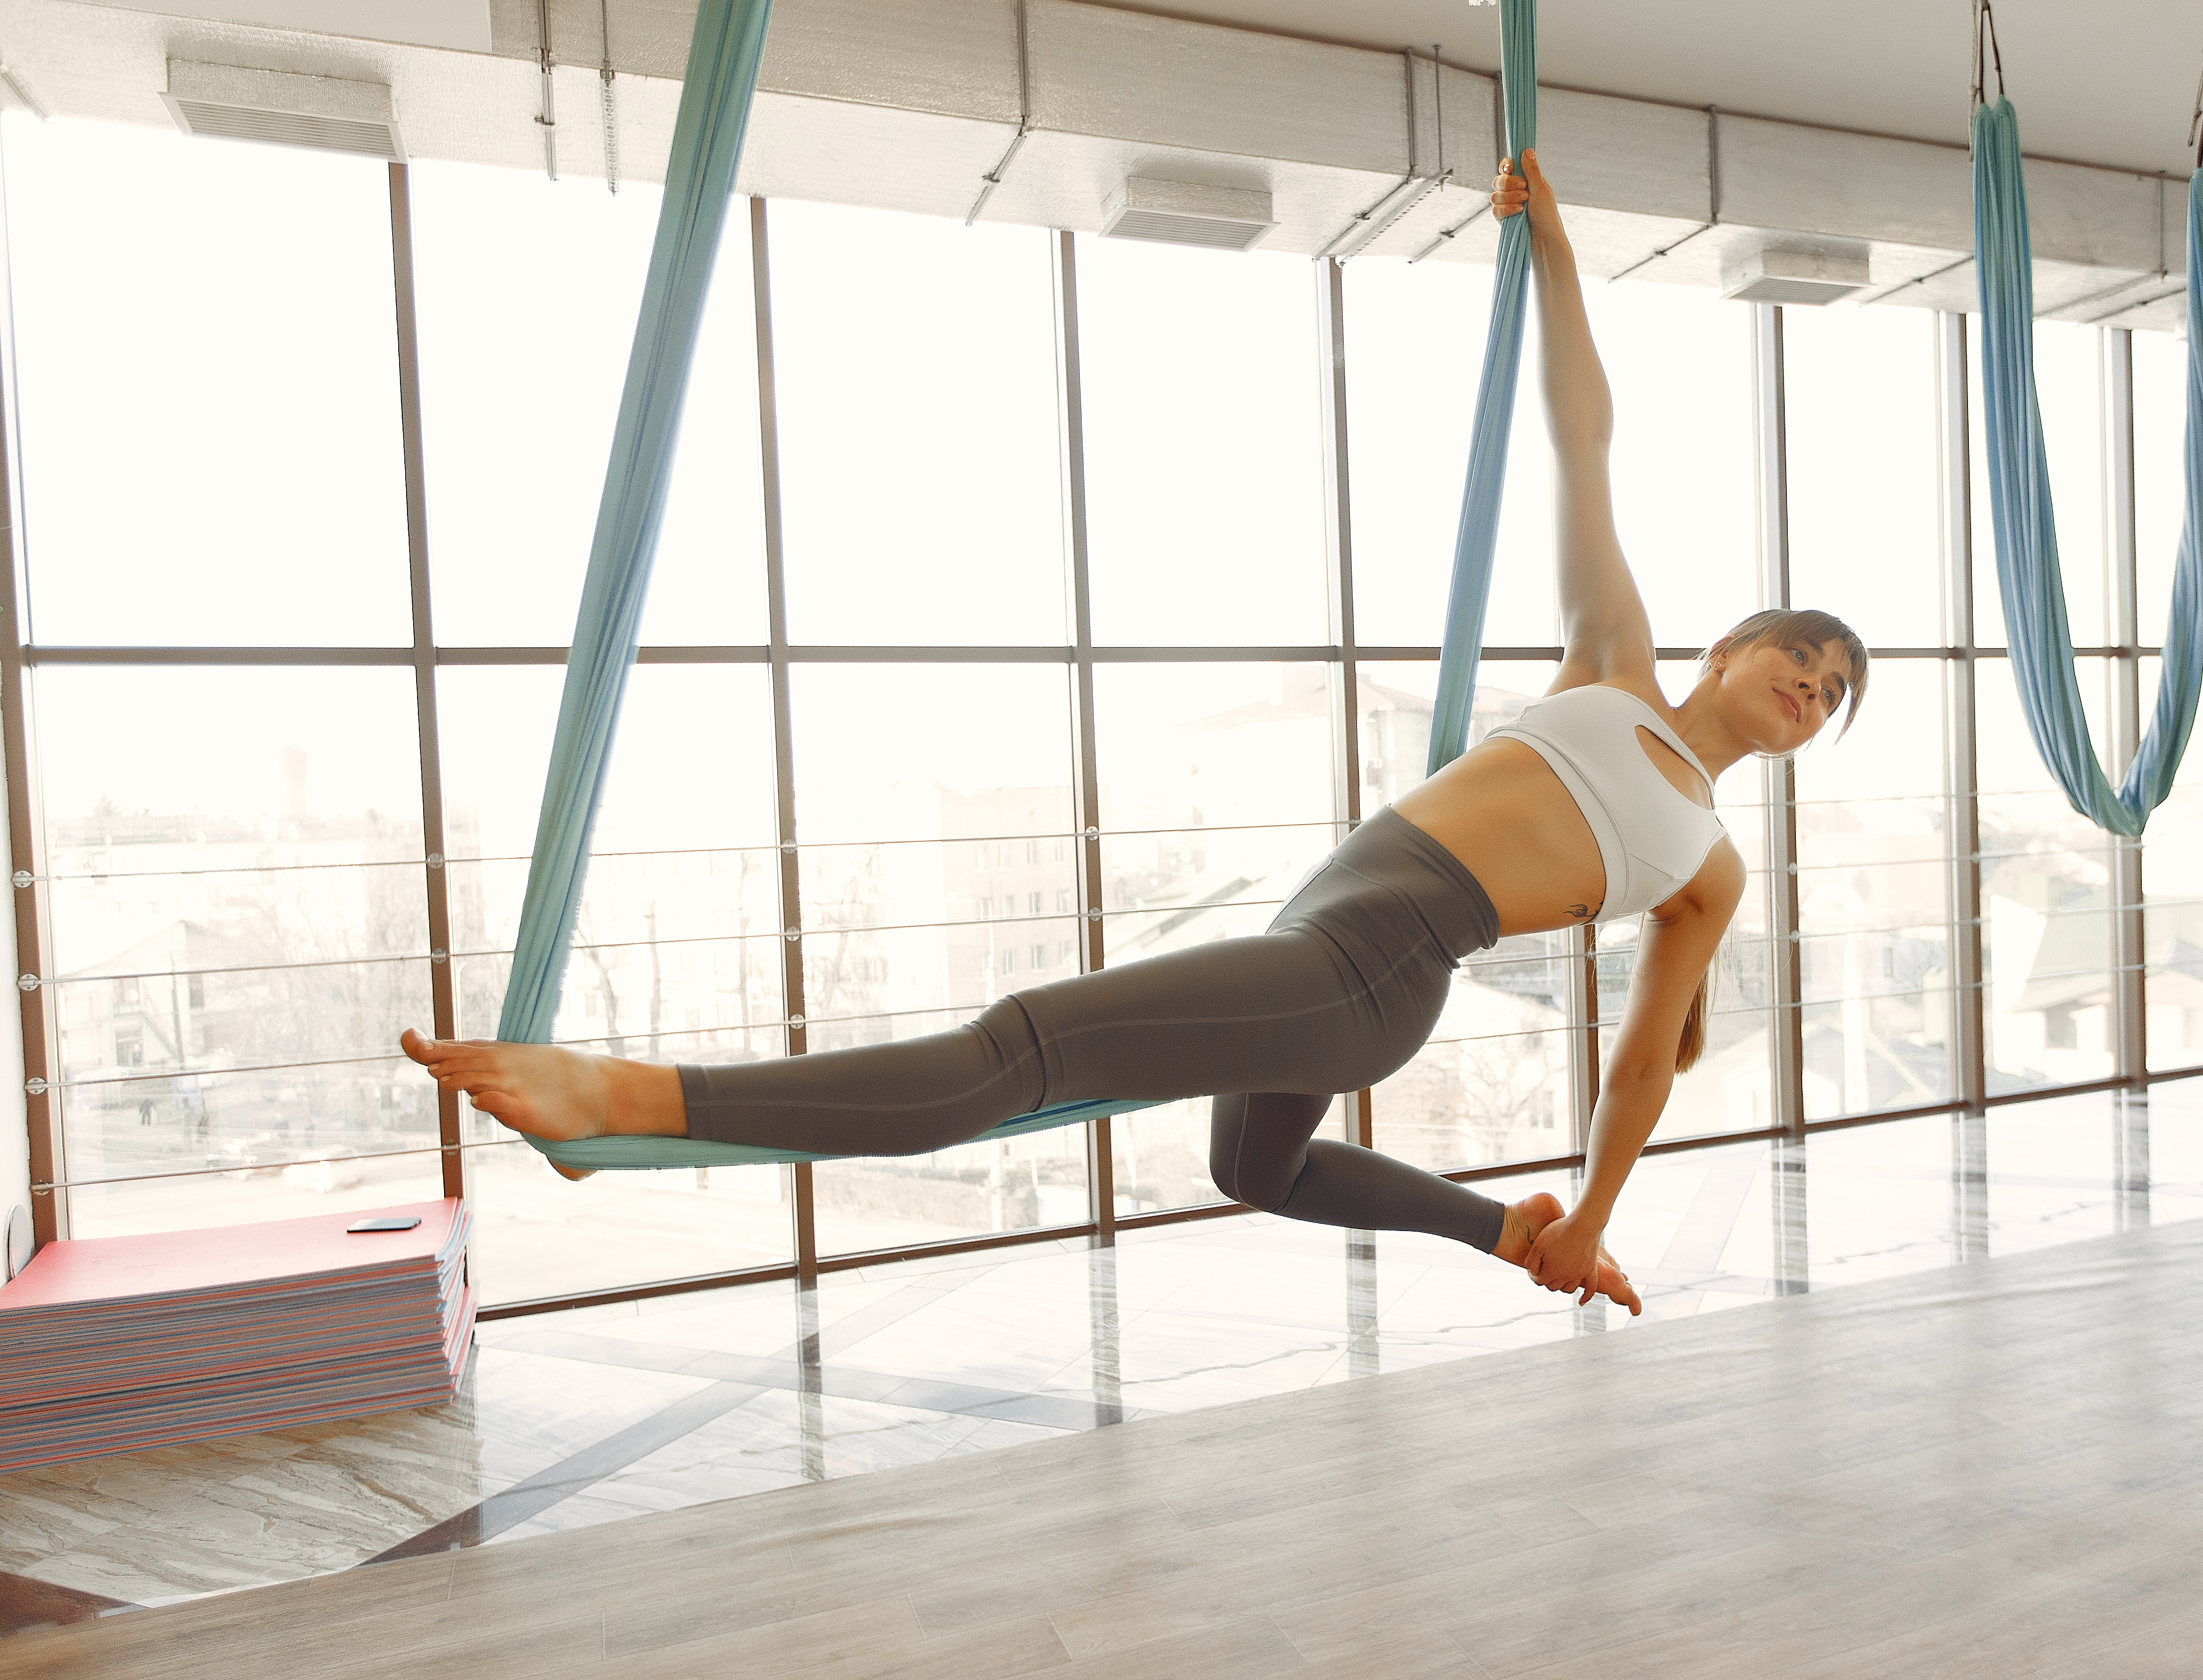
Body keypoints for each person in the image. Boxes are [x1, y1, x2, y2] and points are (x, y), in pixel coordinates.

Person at [403, 151, 1865, 1316]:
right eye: (1797, 658)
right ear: (1730, 646)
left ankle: (632, 1095)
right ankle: (1492, 1228)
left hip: (1374, 969)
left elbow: (1646, 1065)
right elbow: (1581, 442)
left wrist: (1595, 1224)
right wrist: (1549, 255)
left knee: (1020, 1047)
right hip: (1323, 927)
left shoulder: (1709, 866)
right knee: (1259, 1167)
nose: (1807, 690)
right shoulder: (1612, 663)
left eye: (1827, 698)